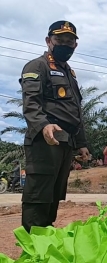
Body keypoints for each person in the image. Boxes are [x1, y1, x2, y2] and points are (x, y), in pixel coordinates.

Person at [20, 20, 89, 233]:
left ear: (75, 46)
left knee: (53, 196)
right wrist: (43, 124)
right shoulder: (37, 66)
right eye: (60, 40)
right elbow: (31, 102)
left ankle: (45, 241)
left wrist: (82, 143)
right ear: (49, 41)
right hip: (44, 141)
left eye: (70, 42)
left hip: (64, 143)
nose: (66, 45)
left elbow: (74, 111)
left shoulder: (69, 73)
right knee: (39, 195)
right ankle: (32, 246)